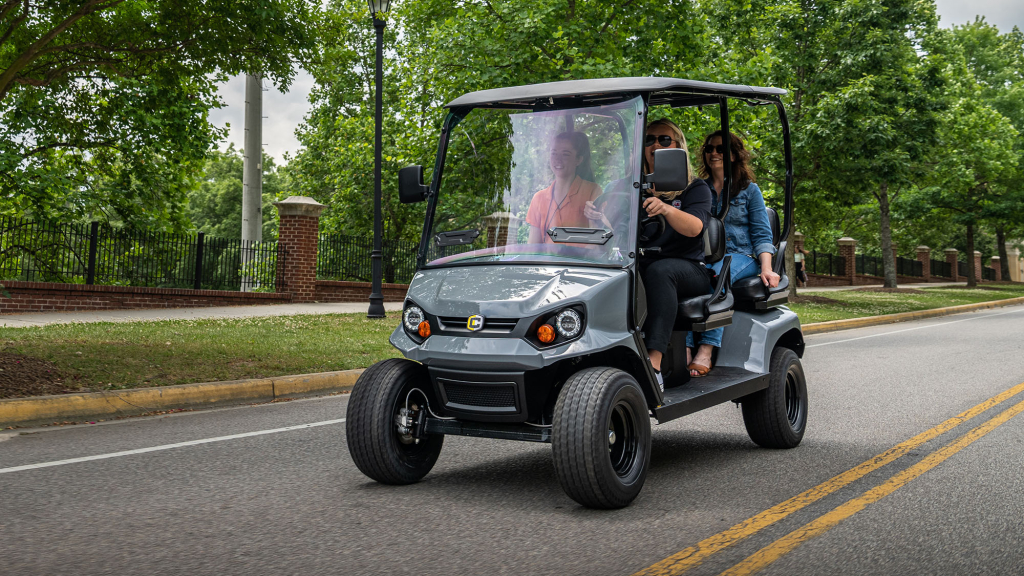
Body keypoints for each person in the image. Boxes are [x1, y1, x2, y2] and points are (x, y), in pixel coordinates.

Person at [686, 131, 780, 377]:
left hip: (740, 256)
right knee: (686, 277)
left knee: (716, 276)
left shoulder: (749, 191)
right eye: (709, 149)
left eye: (720, 149)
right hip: (704, 256)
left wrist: (767, 268)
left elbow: (762, 235)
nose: (714, 153)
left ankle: (706, 348)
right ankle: (683, 347)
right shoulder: (699, 189)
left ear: (735, 155)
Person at [634, 119, 714, 389]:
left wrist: (666, 208)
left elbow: (695, 228)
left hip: (688, 268)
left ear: (679, 147)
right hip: (642, 262)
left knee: (660, 270)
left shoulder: (696, 188)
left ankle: (653, 364)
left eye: (664, 140)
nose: (656, 144)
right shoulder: (634, 186)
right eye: (649, 139)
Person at [526, 131, 602, 244]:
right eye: (553, 153)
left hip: (580, 261)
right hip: (546, 261)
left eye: (565, 154)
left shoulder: (592, 191)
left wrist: (594, 217)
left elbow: (599, 244)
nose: (558, 159)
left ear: (578, 160)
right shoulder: (538, 198)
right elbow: (532, 248)